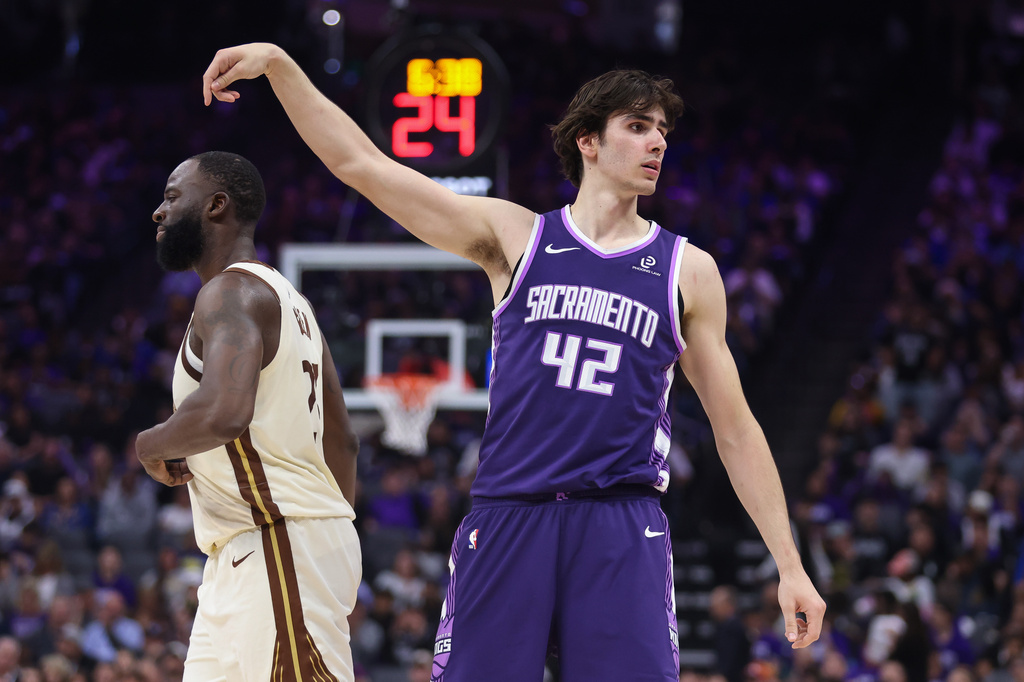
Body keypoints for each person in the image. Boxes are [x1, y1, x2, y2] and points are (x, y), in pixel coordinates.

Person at [201, 44, 826, 681]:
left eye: (663, 130)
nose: (657, 143)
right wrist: (280, 65)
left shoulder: (686, 271)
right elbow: (361, 164)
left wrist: (790, 564)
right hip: (509, 515)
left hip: (620, 520)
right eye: (638, 127)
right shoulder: (517, 238)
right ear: (588, 140)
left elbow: (736, 427)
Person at [134, 151, 361, 681]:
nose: (158, 212)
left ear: (217, 205)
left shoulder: (229, 292)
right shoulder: (294, 303)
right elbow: (343, 443)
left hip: (275, 539)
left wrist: (150, 445)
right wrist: (330, 542)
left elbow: (224, 412)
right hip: (255, 551)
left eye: (172, 196)